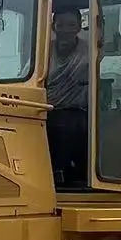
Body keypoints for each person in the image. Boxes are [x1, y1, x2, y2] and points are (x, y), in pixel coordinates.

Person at [46, 10, 90, 188]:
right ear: (53, 27)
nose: (66, 30)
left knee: (72, 126)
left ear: (79, 27)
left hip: (78, 112)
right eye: (61, 24)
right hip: (45, 110)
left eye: (72, 25)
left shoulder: (89, 51)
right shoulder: (43, 50)